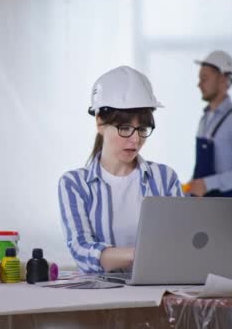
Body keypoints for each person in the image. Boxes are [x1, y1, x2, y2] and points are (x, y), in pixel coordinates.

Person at [58, 66, 183, 273]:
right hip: (99, 298)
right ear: (100, 122)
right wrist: (141, 255)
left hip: (158, 291)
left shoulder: (165, 178)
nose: (136, 140)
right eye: (125, 128)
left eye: (142, 129)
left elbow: (182, 240)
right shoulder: (74, 184)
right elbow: (82, 250)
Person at [186, 50, 232, 197]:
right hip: (205, 207)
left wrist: (209, 184)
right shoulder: (204, 119)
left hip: (230, 209)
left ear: (223, 79)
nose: (199, 84)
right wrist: (189, 190)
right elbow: (201, 171)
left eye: (204, 78)